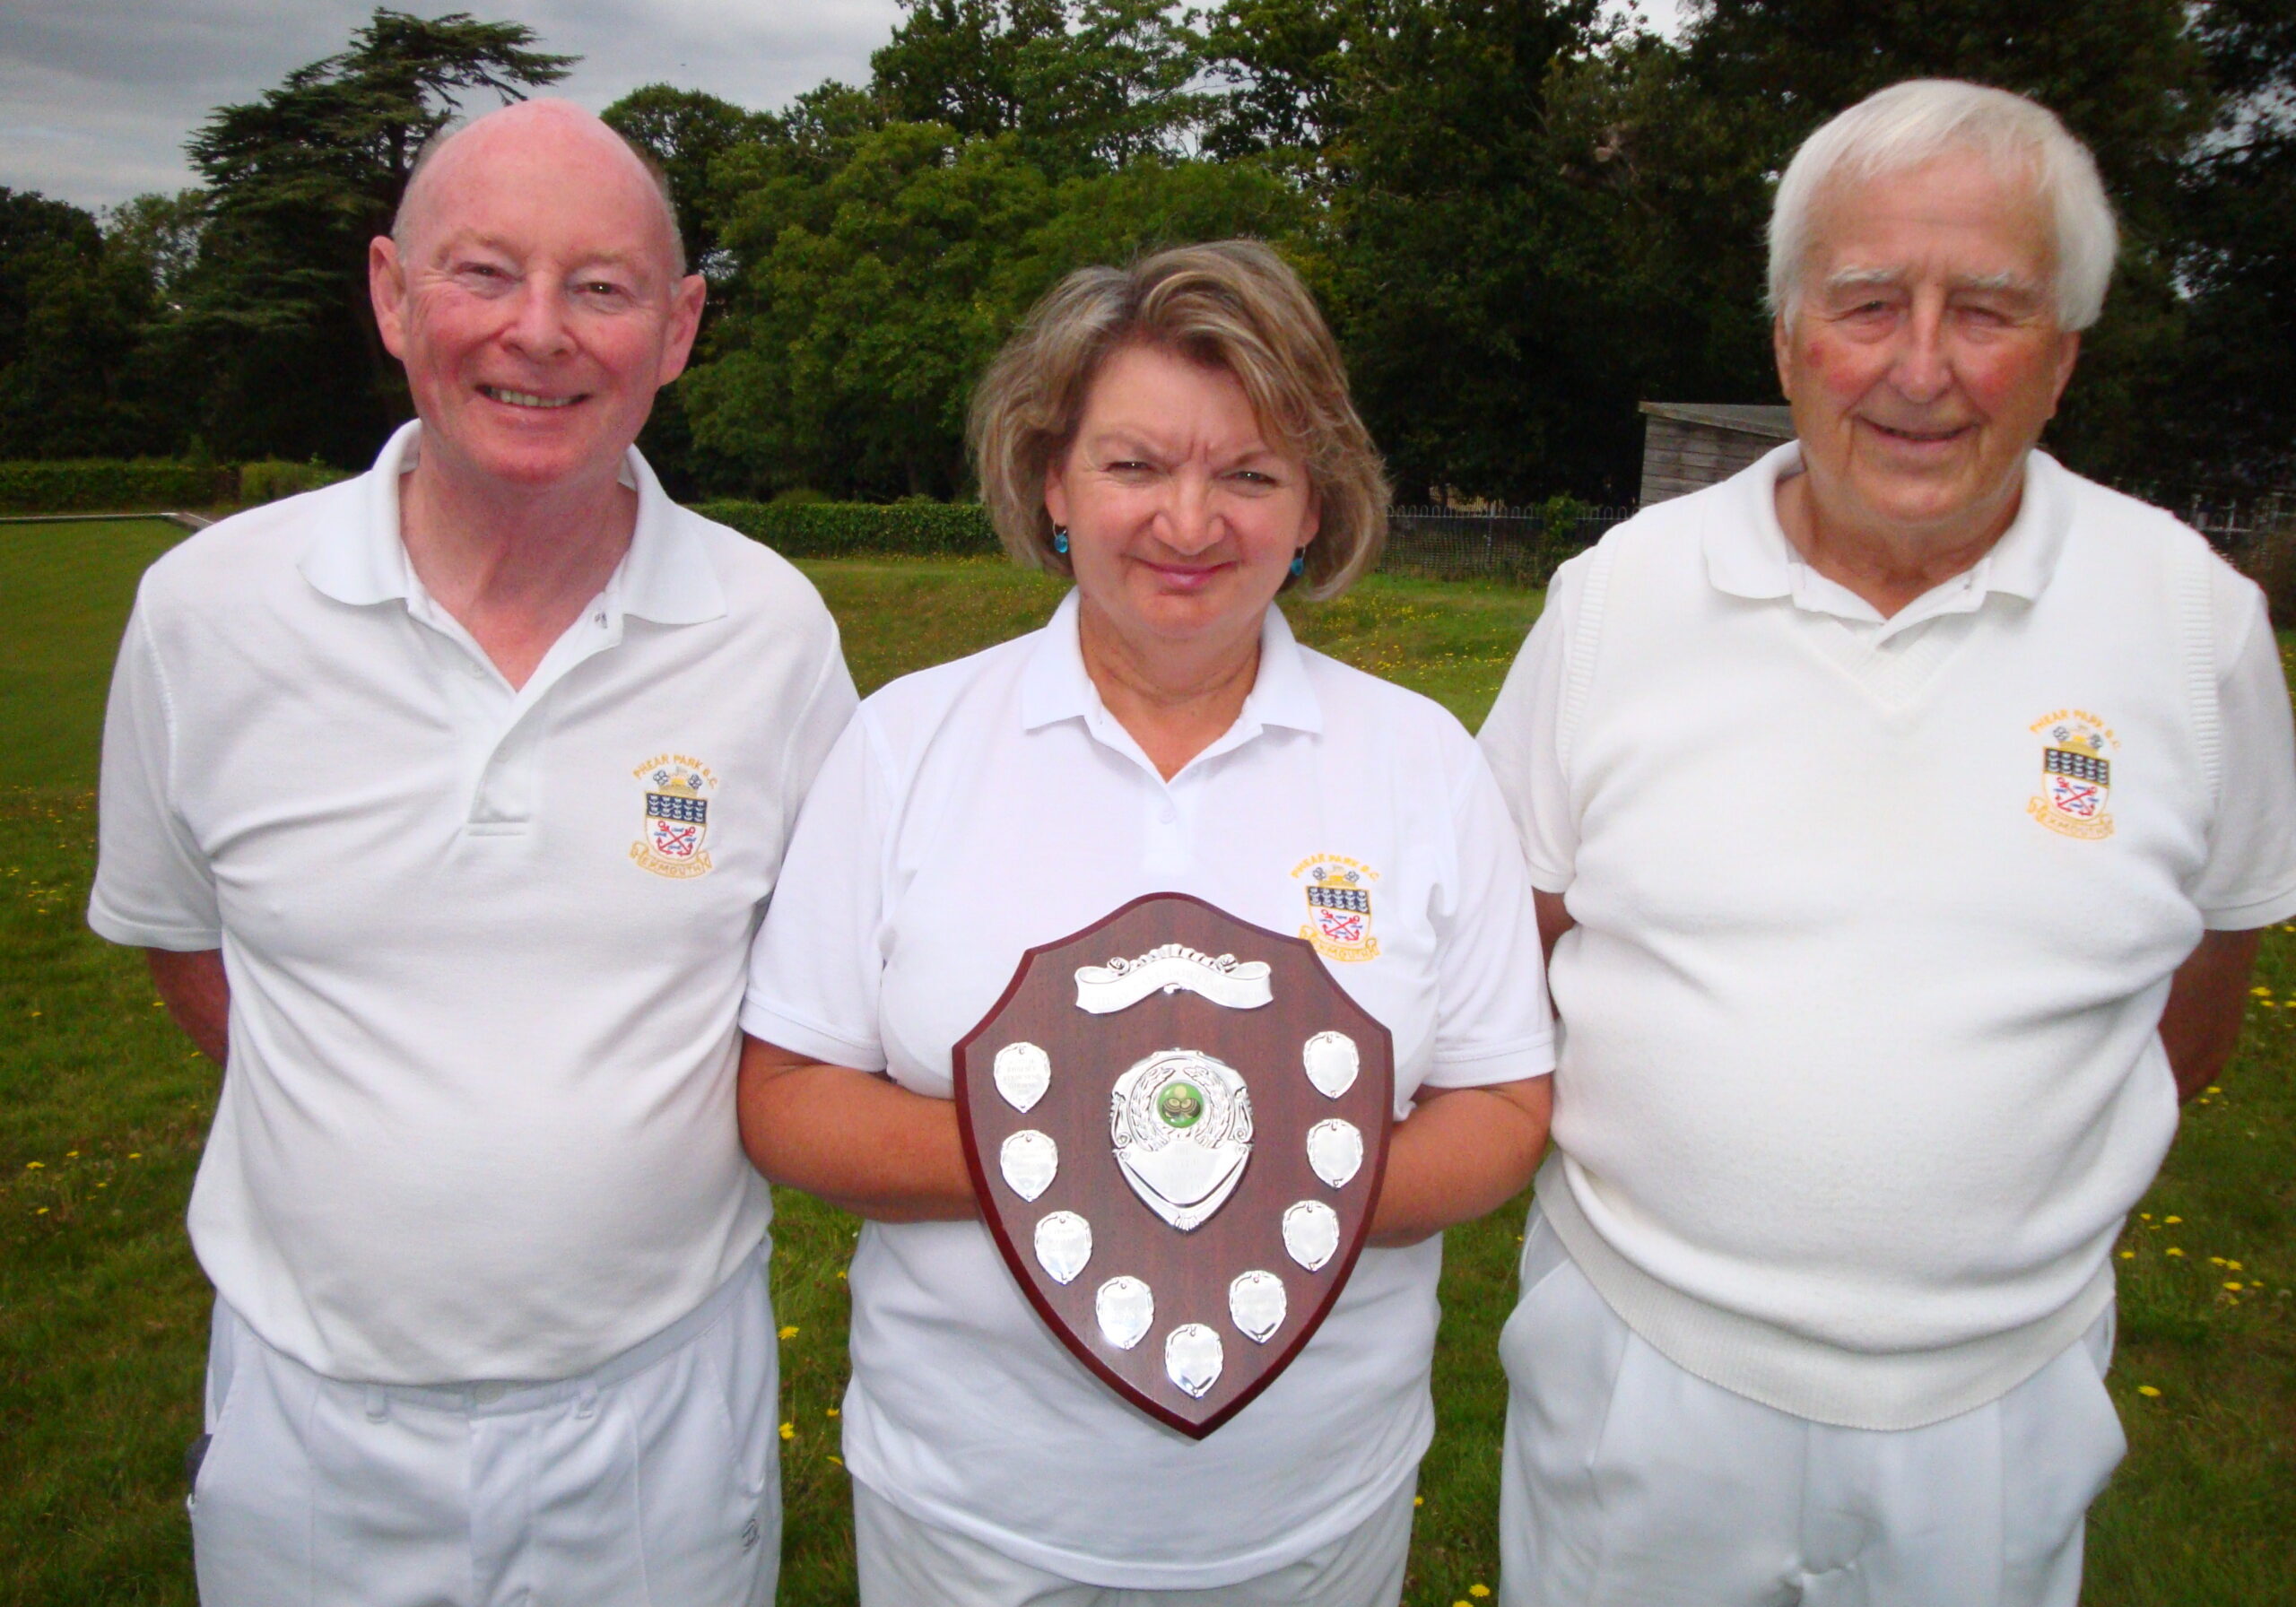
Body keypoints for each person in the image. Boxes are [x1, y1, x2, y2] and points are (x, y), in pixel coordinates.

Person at [1480, 79, 2296, 1607]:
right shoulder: (1620, 599)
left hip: (1999, 1406)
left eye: (1986, 310)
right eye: (1867, 305)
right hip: (1644, 1375)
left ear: (2061, 358)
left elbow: (2197, 1007)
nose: (1921, 368)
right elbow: (1503, 964)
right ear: (1790, 338)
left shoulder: (2195, 627)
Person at [88, 100, 856, 1604]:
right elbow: (187, 943)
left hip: (658, 1429)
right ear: (391, 294)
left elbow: (824, 990)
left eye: (602, 287)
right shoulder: (206, 612)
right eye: (483, 273)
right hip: (312, 1423)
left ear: (680, 326)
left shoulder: (771, 632)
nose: (539, 333)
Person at [736, 240, 1555, 1605]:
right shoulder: (908, 744)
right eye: (1135, 466)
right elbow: (787, 1095)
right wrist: (1102, 1155)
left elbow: (1503, 1110)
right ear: (1051, 481)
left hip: (1308, 1528)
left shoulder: (1419, 761)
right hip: (971, 1524)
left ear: (1314, 508)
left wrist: (1247, 1184)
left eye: (1248, 473)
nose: (1192, 520)